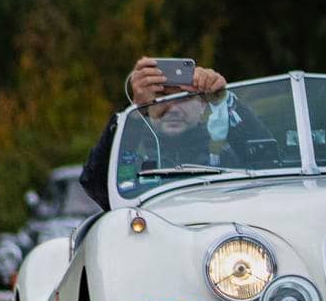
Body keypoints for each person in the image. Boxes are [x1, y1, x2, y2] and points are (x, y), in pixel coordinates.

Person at [80, 57, 234, 209]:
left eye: (183, 98)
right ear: (148, 107)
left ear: (203, 105)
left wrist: (226, 101)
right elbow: (96, 185)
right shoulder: (134, 165)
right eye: (162, 97)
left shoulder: (227, 160)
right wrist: (134, 113)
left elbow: (257, 163)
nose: (173, 109)